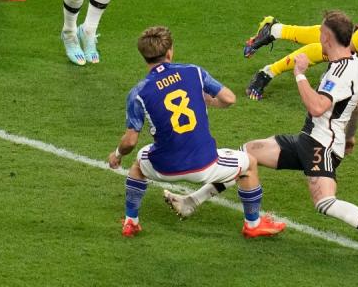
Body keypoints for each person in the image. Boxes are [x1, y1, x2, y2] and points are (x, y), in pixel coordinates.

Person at [165, 11, 358, 258]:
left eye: (320, 33)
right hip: (311, 138)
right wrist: (350, 136)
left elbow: (316, 107)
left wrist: (300, 73)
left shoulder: (339, 73)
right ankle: (191, 202)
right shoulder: (353, 63)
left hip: (321, 146)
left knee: (325, 203)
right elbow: (357, 106)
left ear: (326, 38)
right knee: (247, 156)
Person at [107, 26, 286, 239]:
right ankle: (253, 224)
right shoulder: (193, 71)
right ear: (170, 52)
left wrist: (116, 155)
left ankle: (131, 222)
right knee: (249, 164)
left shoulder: (138, 92)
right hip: (205, 166)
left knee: (138, 165)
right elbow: (229, 99)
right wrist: (206, 100)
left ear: (144, 56)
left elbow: (130, 141)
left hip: (164, 168)